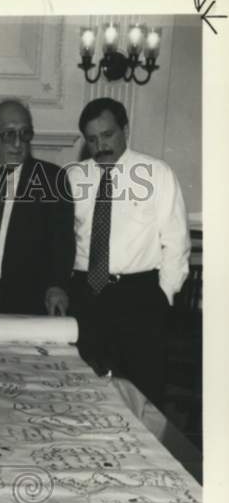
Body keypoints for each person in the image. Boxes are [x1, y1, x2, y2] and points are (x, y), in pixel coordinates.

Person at [67, 97, 190, 408]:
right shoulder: (74, 176)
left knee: (144, 394)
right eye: (92, 140)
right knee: (85, 392)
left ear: (125, 129)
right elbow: (65, 239)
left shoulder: (156, 173)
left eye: (107, 135)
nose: (100, 146)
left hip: (139, 298)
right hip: (86, 296)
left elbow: (176, 242)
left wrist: (163, 297)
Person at [0, 98, 74, 315]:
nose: (17, 143)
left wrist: (57, 285)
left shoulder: (52, 179)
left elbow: (63, 244)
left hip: (27, 302)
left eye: (25, 134)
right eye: (9, 134)